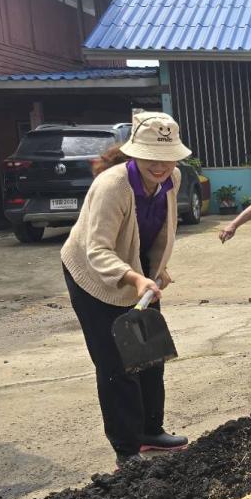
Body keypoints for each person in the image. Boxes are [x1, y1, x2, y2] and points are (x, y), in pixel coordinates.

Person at [60, 112, 191, 467]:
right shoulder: (112, 185)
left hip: (140, 276)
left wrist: (156, 271)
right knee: (117, 364)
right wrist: (134, 278)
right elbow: (97, 249)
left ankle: (150, 431)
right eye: (151, 156)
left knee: (149, 353)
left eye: (167, 157)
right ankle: (126, 448)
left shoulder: (172, 178)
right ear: (135, 153)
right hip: (93, 276)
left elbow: (160, 231)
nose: (160, 165)